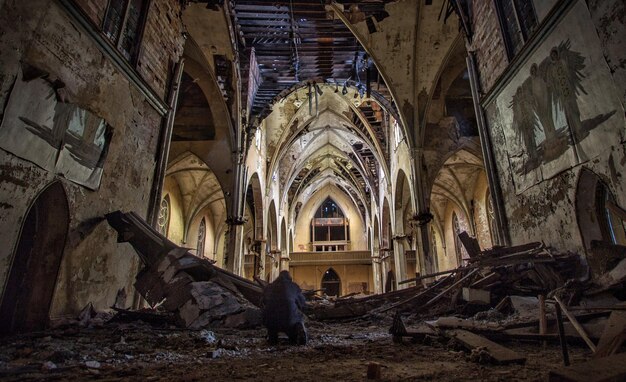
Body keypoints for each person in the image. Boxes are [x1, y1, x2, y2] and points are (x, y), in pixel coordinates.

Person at [261, 270, 307, 345]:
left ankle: (273, 339)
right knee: (297, 321)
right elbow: (302, 303)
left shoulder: (269, 287)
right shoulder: (293, 286)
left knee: (271, 323)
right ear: (289, 278)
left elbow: (263, 302)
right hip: (289, 320)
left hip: (271, 321)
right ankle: (293, 338)